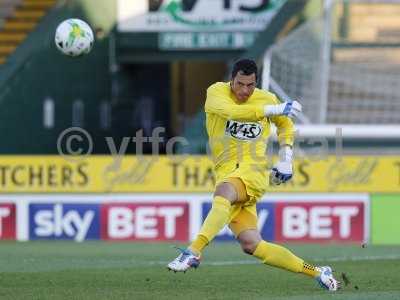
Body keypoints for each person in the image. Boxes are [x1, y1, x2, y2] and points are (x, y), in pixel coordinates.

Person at [167, 59, 340, 291]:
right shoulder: (216, 92)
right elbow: (232, 112)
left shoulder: (266, 97)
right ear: (232, 79)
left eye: (250, 85)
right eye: (240, 84)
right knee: (252, 245)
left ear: (256, 82)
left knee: (224, 193)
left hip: (253, 171)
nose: (245, 90)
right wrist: (272, 110)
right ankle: (318, 272)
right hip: (226, 170)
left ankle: (192, 252)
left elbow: (286, 126)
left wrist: (286, 158)